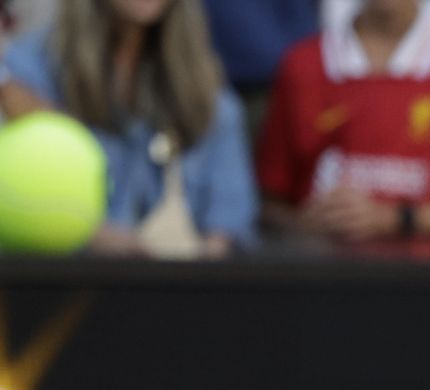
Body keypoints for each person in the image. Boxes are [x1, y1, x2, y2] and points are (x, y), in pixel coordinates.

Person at [1, 0, 256, 256]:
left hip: (174, 287)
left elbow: (227, 226)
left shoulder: (208, 97)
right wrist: (91, 236)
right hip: (62, 281)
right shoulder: (25, 74)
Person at [256, 0, 430, 246]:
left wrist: (394, 219)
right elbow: (268, 205)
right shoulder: (301, 63)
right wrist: (304, 225)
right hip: (326, 280)